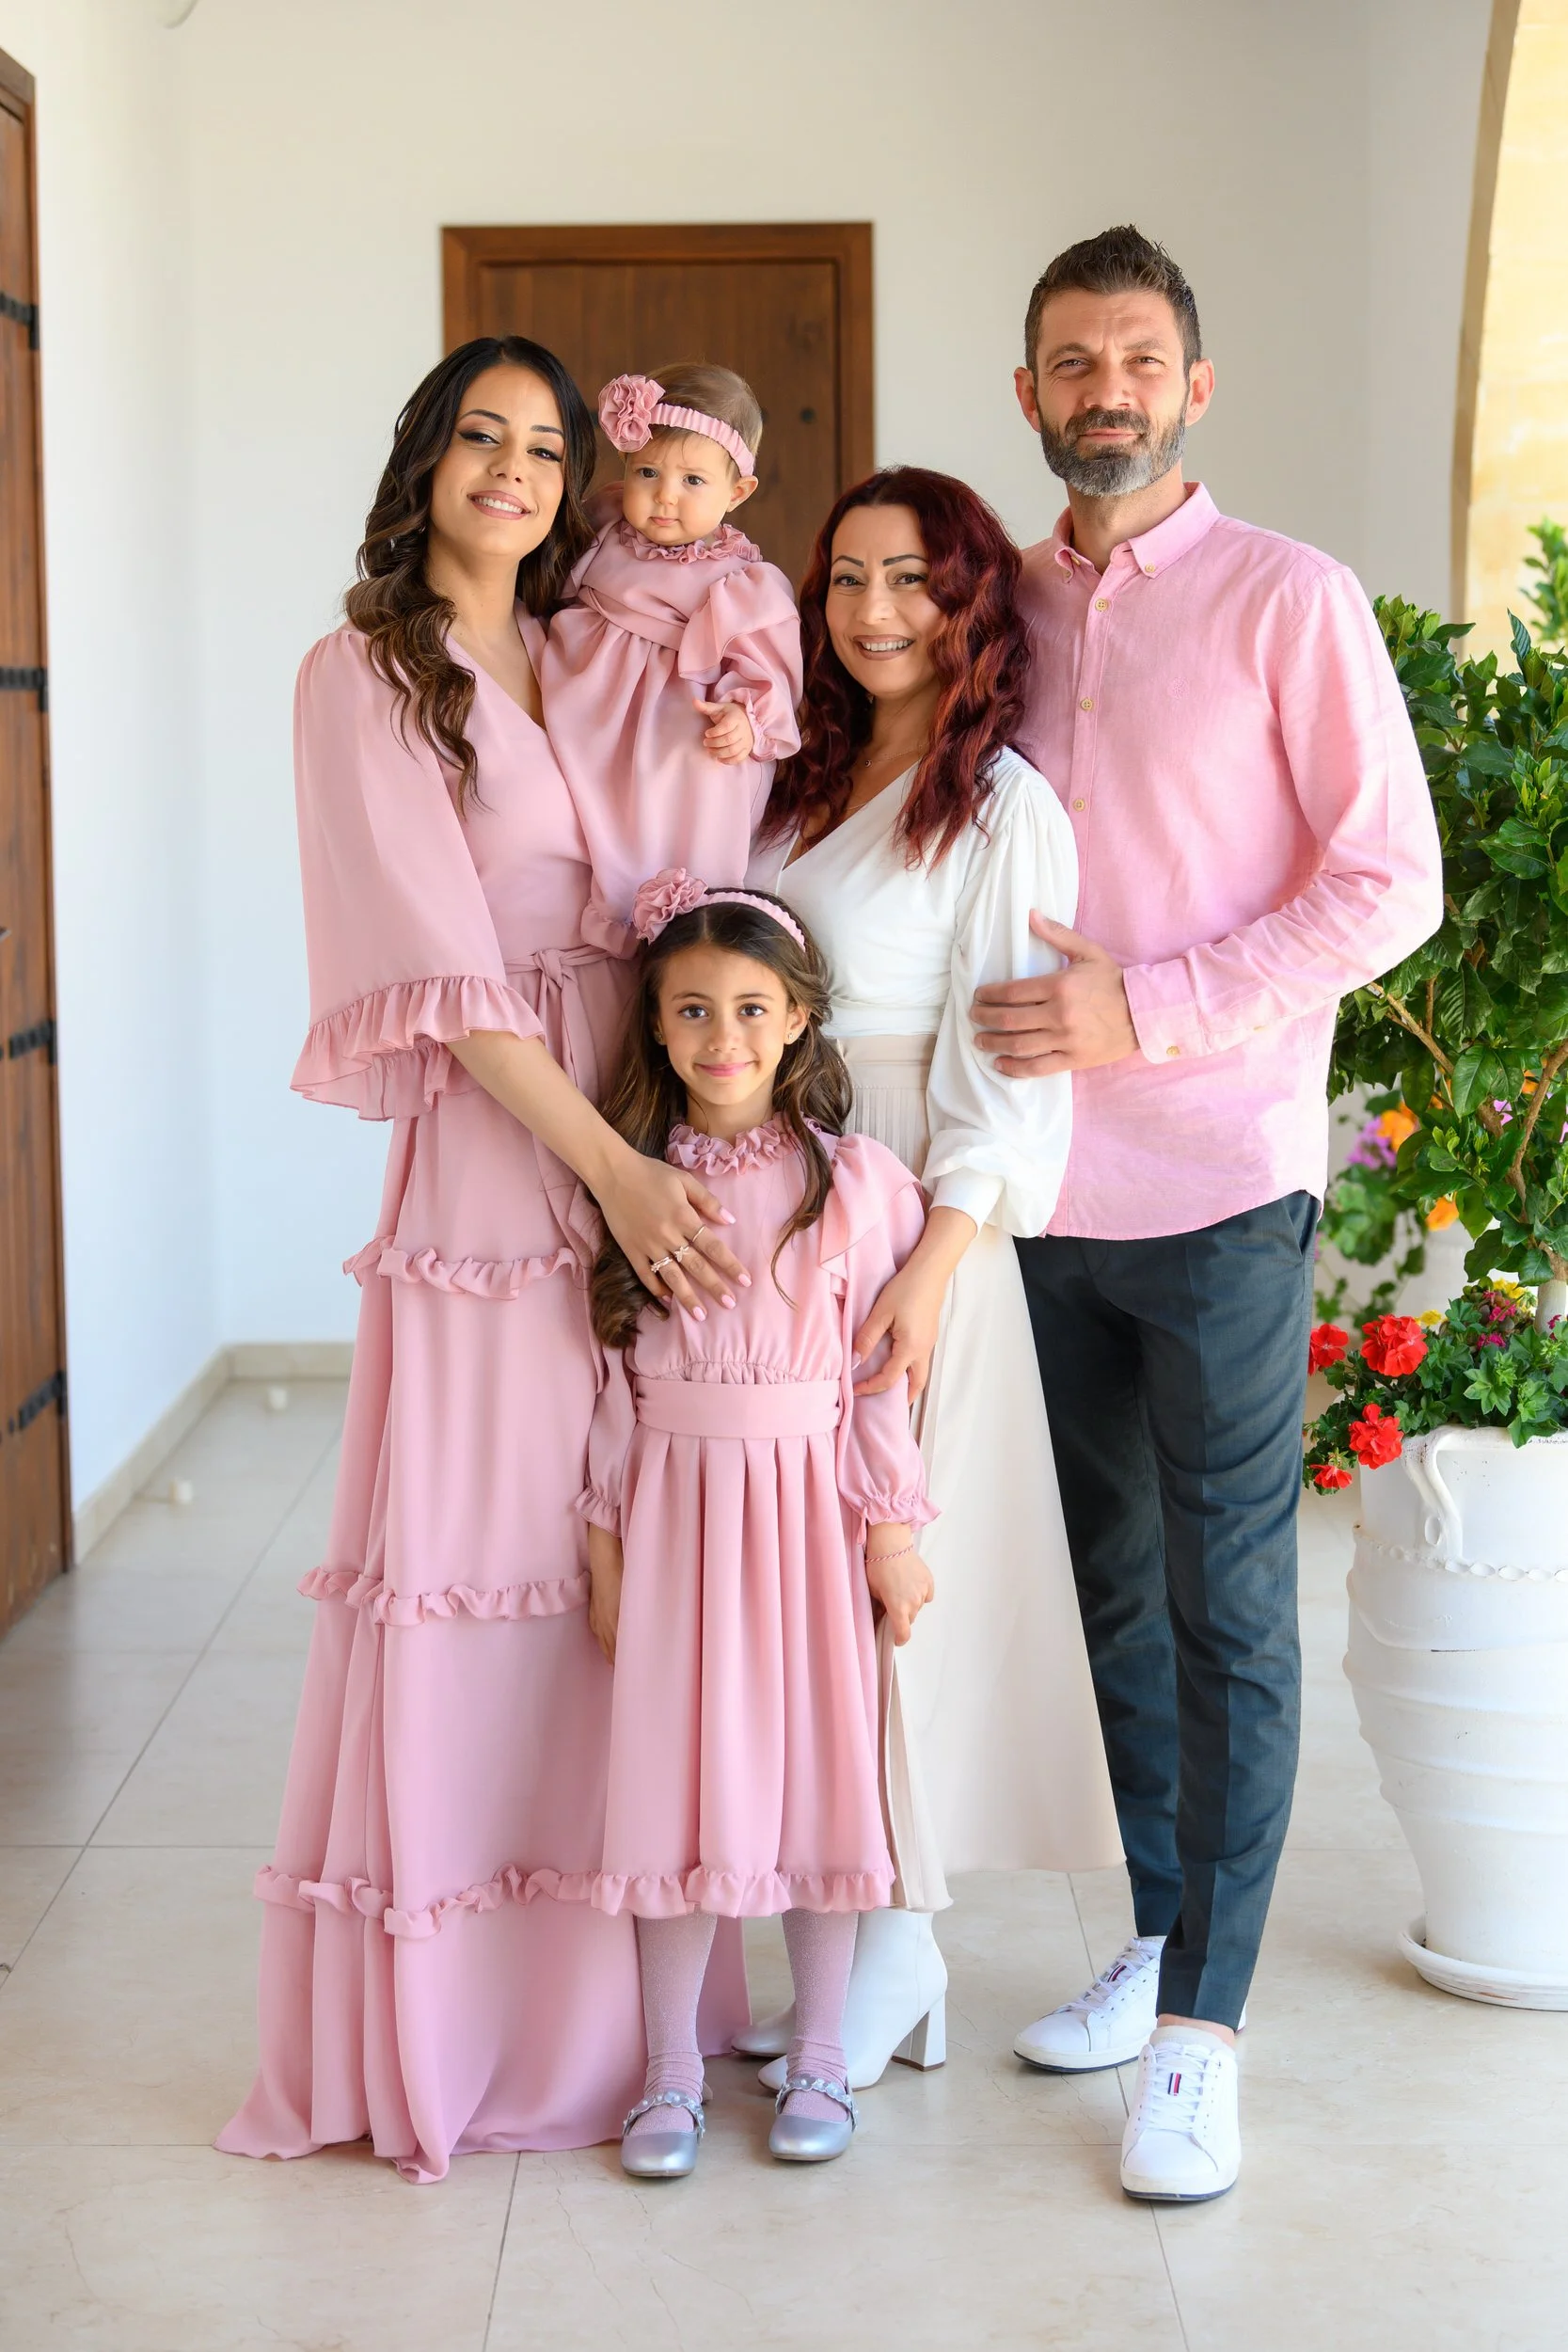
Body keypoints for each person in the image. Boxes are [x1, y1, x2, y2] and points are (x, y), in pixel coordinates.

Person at [217, 336, 752, 2185]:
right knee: (491, 1560)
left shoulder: (589, 646)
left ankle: (645, 2015)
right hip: (509, 1157)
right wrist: (608, 1169)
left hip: (638, 1130)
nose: (516, 469)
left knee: (631, 1557)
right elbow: (443, 980)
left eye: (543, 444)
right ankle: (471, 2032)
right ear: (424, 460)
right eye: (482, 435)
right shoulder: (360, 673)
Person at [974, 226, 1443, 2201]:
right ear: (1025, 392)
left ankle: (1202, 2035)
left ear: (1192, 386)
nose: (1104, 385)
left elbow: (1386, 881)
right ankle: (1156, 1929)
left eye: (1137, 354)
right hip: (1024, 1180)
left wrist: (1142, 1005)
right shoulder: (986, 602)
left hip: (1219, 1182)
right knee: (1098, 1590)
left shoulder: (1286, 598)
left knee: (1228, 1607)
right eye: (1070, 357)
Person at [744, 467, 1121, 2090]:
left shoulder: (1003, 804)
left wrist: (937, 1261)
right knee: (797, 1584)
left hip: (912, 1214)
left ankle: (902, 1933)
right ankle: (855, 1924)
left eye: (910, 579)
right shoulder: (803, 778)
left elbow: (1018, 1066)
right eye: (843, 579)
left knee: (895, 1583)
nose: (873, 609)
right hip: (786, 1195)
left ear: (971, 602)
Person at [577, 875, 936, 2176]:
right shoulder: (632, 1181)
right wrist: (607, 1548)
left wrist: (887, 1529)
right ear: (658, 1030)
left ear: (795, 1021)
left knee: (814, 1780)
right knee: (675, 1784)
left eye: (747, 1007)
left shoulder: (852, 1183)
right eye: (689, 1011)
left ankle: (826, 2054)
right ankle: (669, 2070)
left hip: (804, 1515)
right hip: (675, 1509)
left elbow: (878, 1374)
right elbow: (605, 1380)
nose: (718, 1036)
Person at [535, 362, 801, 955]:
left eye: (693, 482)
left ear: (737, 493)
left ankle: (674, 924)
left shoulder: (741, 585)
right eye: (648, 472)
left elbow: (771, 679)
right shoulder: (601, 529)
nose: (664, 496)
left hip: (678, 738)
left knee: (679, 815)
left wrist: (745, 719)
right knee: (578, 819)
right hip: (590, 706)